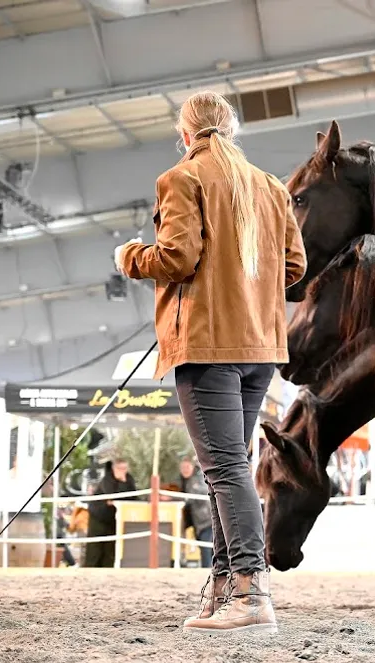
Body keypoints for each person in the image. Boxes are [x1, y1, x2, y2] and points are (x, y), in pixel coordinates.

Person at [115, 90, 306, 635]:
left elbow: (176, 257)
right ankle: (225, 587)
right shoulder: (271, 187)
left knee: (224, 469)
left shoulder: (182, 178)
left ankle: (250, 592)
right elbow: (294, 268)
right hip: (260, 350)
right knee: (231, 469)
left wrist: (129, 256)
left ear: (185, 133)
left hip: (207, 347)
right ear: (232, 129)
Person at [84, 459, 137, 568]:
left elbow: (132, 496)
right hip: (98, 517)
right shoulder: (107, 479)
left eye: (125, 468)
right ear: (114, 468)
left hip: (113, 518)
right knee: (94, 551)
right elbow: (111, 495)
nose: (123, 471)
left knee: (110, 551)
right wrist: (121, 483)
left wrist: (123, 481)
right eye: (120, 469)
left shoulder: (129, 479)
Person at [178, 456, 213, 569]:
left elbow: (202, 492)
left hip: (206, 520)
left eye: (187, 467)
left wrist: (184, 498)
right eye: (183, 467)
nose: (185, 469)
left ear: (192, 467)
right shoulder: (182, 481)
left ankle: (207, 570)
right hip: (197, 522)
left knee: (206, 549)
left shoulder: (198, 479)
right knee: (205, 547)